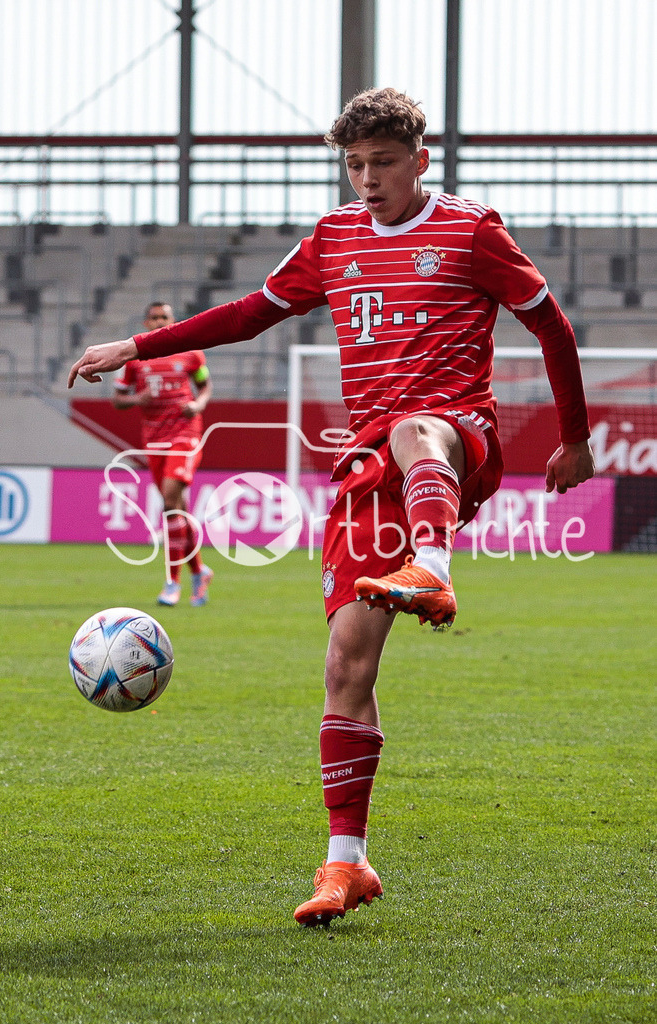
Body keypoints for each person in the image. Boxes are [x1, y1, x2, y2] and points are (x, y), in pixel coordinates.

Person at [69, 88, 595, 927]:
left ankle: (434, 564)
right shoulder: (333, 238)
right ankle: (346, 862)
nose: (367, 179)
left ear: (420, 160)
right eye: (355, 165)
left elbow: (553, 327)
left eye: (383, 162)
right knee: (347, 665)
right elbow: (249, 315)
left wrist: (574, 437)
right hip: (366, 467)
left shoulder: (472, 229)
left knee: (419, 428)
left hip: (455, 438)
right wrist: (137, 344)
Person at [112, 300, 214, 607]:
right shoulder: (134, 360)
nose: (159, 322)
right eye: (154, 318)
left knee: (170, 502)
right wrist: (136, 398)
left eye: (164, 318)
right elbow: (118, 399)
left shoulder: (192, 353)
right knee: (178, 509)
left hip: (186, 435)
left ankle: (172, 582)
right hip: (154, 439)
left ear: (173, 321)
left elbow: (205, 386)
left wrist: (197, 405)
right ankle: (200, 571)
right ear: (146, 324)